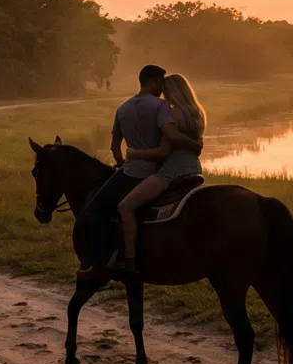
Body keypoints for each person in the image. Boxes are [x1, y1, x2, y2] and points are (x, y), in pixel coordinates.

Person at [78, 64, 178, 277]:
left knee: (96, 208)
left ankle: (101, 261)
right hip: (157, 171)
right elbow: (168, 136)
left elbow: (115, 147)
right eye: (160, 82)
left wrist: (122, 162)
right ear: (151, 82)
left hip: (132, 171)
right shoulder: (161, 107)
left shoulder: (123, 108)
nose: (163, 87)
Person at [113, 72, 206, 274]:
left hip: (172, 171)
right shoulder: (198, 114)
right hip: (194, 168)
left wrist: (133, 153)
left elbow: (163, 151)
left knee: (126, 206)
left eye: (165, 91)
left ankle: (129, 261)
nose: (162, 96)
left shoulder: (173, 115)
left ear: (172, 91)